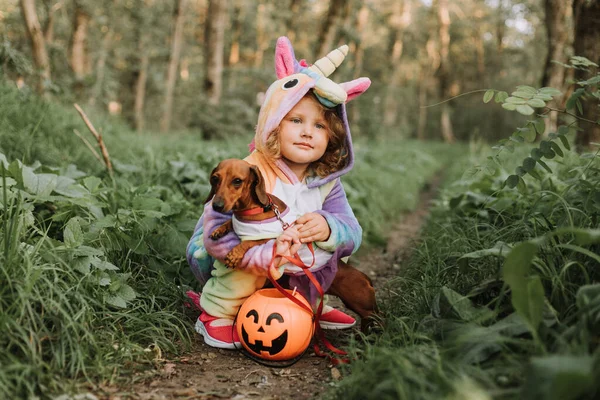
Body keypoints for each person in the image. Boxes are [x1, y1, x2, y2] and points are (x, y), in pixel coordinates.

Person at [186, 36, 371, 349]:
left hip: (289, 265)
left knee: (324, 259)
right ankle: (216, 314)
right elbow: (214, 234)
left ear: (334, 136)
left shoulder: (326, 181)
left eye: (319, 126)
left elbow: (352, 231)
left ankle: (305, 306)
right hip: (237, 260)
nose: (306, 132)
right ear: (272, 122)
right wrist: (264, 254)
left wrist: (328, 227)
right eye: (296, 120)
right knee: (245, 268)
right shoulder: (249, 171)